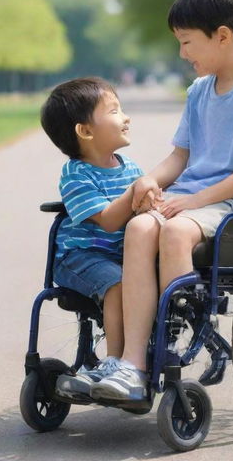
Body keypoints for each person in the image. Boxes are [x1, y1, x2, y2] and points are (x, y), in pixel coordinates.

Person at [90, 0, 233, 404]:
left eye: (186, 42)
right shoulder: (200, 91)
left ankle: (176, 336)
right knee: (142, 227)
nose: (182, 54)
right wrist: (150, 180)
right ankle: (133, 364)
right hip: (195, 199)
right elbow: (180, 157)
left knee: (176, 230)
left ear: (221, 36)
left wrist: (193, 200)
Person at [40, 77, 159, 402]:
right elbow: (107, 220)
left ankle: (130, 363)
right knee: (119, 285)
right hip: (80, 259)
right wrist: (137, 191)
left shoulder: (130, 167)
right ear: (86, 131)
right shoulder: (76, 174)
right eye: (115, 110)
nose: (126, 118)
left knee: (139, 278)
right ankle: (117, 364)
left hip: (118, 257)